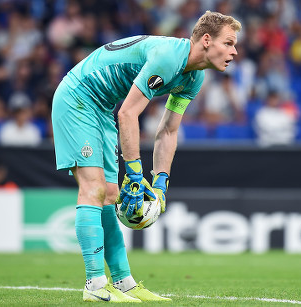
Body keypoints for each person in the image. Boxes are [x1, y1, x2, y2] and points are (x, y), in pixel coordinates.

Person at [51, 11, 241, 303]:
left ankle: (124, 283)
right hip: (78, 98)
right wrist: (136, 173)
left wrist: (161, 182)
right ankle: (95, 284)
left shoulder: (194, 79)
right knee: (93, 189)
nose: (234, 51)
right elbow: (128, 113)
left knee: (111, 194)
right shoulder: (169, 57)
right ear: (206, 40)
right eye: (228, 43)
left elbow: (167, 131)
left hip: (101, 108)